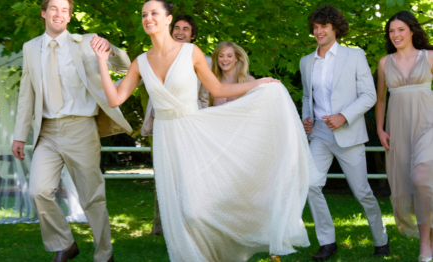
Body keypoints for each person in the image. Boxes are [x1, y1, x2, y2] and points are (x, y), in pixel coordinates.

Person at [91, 0, 321, 260]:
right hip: (166, 137)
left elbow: (218, 89)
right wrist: (102, 61)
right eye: (144, 14)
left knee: (196, 209)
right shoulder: (141, 61)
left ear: (168, 19)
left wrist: (259, 84)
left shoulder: (190, 52)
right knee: (178, 210)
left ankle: (229, 247)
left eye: (154, 13)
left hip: (193, 131)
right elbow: (115, 99)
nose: (148, 18)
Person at [11, 0, 132, 261]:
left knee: (92, 197)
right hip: (48, 132)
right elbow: (26, 94)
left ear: (69, 15)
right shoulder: (30, 48)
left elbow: (125, 65)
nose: (59, 14)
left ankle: (104, 255)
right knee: (38, 191)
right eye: (54, 8)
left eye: (64, 10)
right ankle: (64, 243)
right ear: (44, 13)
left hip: (81, 128)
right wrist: (20, 135)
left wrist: (110, 49)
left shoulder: (85, 42)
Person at [300, 4, 389, 260]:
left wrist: (344, 116)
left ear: (335, 28)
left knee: (362, 191)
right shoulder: (307, 61)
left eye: (324, 27)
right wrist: (307, 118)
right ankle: (327, 242)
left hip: (348, 134)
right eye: (315, 27)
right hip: (319, 134)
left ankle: (381, 239)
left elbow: (369, 95)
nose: (319, 32)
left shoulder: (354, 56)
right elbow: (308, 96)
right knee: (310, 184)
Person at [375, 11, 433, 262]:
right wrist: (379, 129)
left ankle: (424, 247)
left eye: (400, 29)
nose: (395, 35)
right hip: (398, 128)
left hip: (429, 126)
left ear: (411, 30)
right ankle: (428, 238)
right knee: (409, 186)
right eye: (391, 31)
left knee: (422, 179)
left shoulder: (430, 56)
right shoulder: (384, 63)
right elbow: (380, 99)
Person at [141, 14, 211, 136]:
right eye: (177, 28)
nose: (180, 32)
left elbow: (204, 97)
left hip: (190, 120)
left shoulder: (206, 61)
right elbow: (133, 80)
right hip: (160, 120)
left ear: (193, 36)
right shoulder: (155, 57)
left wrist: (202, 124)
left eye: (186, 29)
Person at [210, 41, 255, 106]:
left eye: (229, 56)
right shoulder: (213, 82)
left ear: (236, 58)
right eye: (221, 56)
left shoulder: (249, 80)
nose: (225, 59)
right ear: (217, 59)